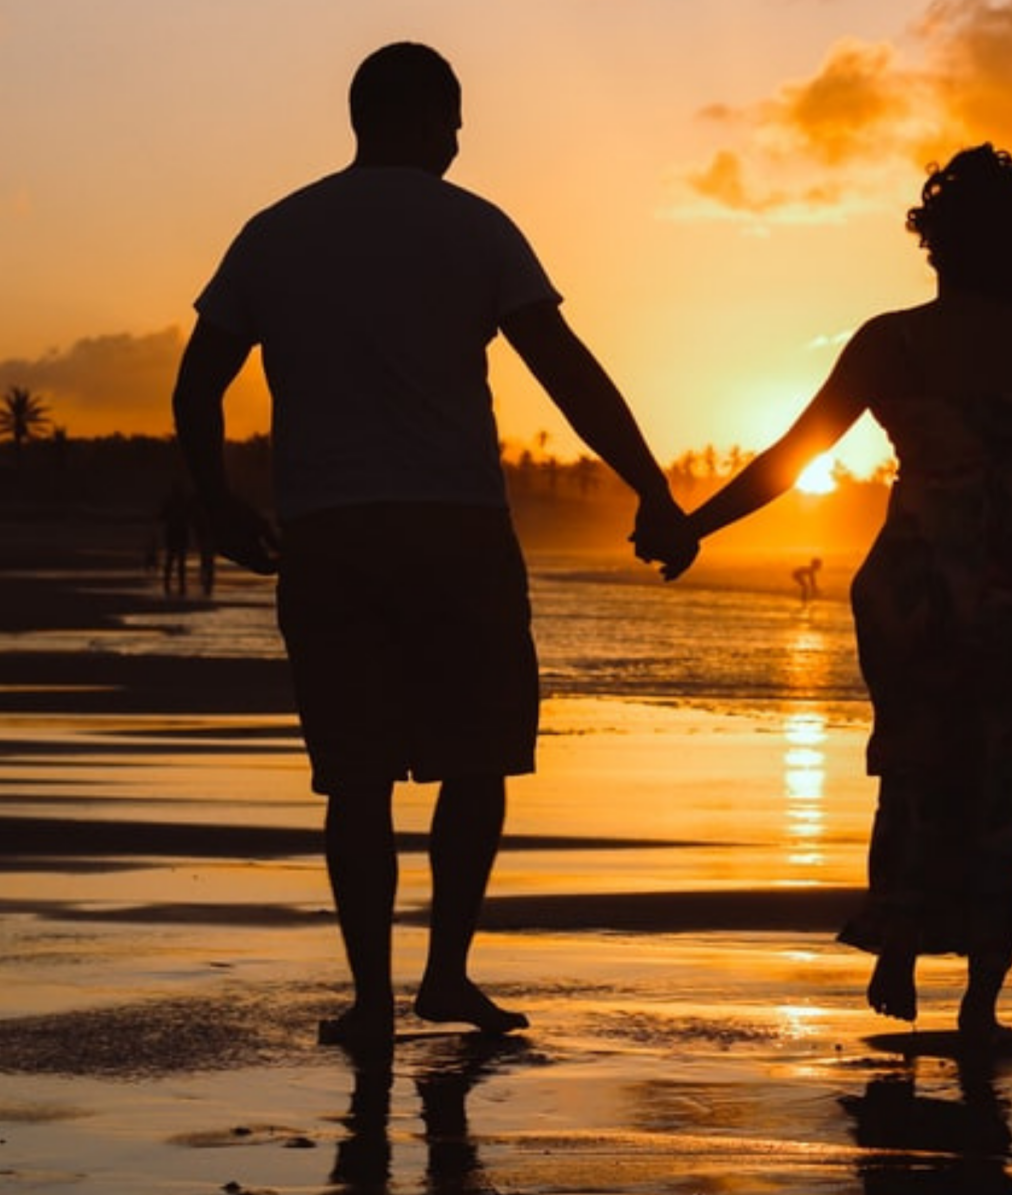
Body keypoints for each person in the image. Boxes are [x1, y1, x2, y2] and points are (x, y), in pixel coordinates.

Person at [173, 42, 697, 1051]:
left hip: (328, 534)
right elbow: (566, 373)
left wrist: (220, 504)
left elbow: (197, 386)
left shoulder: (274, 233)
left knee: (355, 777)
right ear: (430, 118)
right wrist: (652, 488)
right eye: (453, 121)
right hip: (453, 528)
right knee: (477, 757)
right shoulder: (475, 228)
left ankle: (372, 1000)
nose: (459, 141)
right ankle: (445, 973)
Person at [648, 145, 1012, 1044]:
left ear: (934, 241)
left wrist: (693, 527)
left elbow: (791, 460)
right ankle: (982, 999)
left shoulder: (892, 340)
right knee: (1010, 791)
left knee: (914, 765)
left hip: (919, 586)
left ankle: (898, 945)